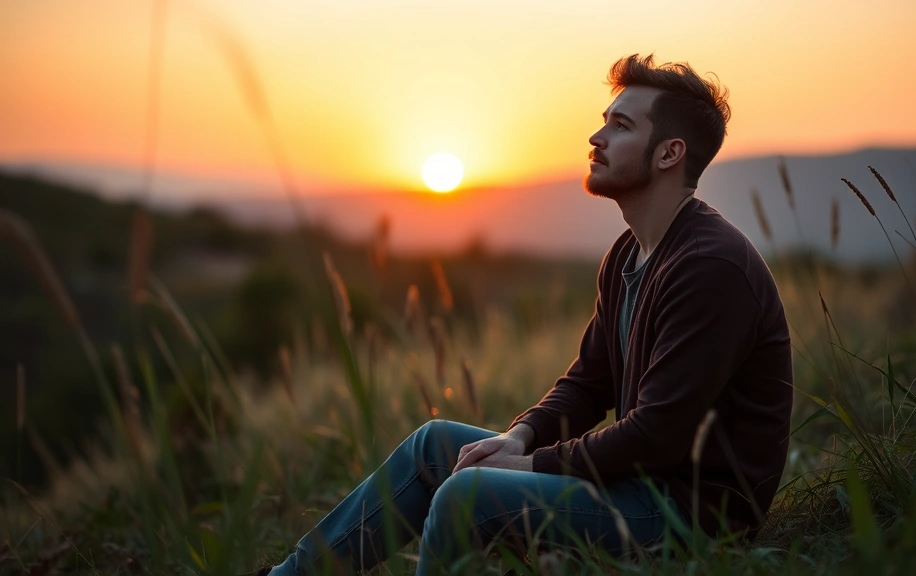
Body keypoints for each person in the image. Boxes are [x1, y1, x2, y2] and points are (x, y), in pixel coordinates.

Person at [256, 53, 792, 576]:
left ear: (669, 153)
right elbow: (588, 383)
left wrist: (531, 466)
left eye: (621, 126)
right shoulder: (631, 253)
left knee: (469, 494)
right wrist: (519, 438)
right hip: (637, 487)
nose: (596, 137)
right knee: (435, 445)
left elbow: (656, 436)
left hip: (687, 516)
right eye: (604, 121)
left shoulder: (709, 268)